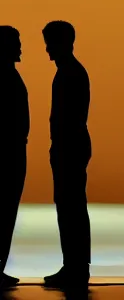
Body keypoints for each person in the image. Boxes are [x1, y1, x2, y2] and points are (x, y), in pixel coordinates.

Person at [42, 21, 92, 290]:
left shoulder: (69, 74)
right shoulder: (70, 72)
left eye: (50, 42)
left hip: (69, 148)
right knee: (71, 207)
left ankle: (75, 267)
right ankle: (74, 265)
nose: (47, 49)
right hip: (69, 147)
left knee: (70, 207)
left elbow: (68, 118)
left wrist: (59, 147)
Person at [0, 26, 30, 290]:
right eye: (16, 42)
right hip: (9, 154)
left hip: (13, 151)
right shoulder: (5, 77)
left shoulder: (8, 75)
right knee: (4, 212)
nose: (21, 47)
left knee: (6, 212)